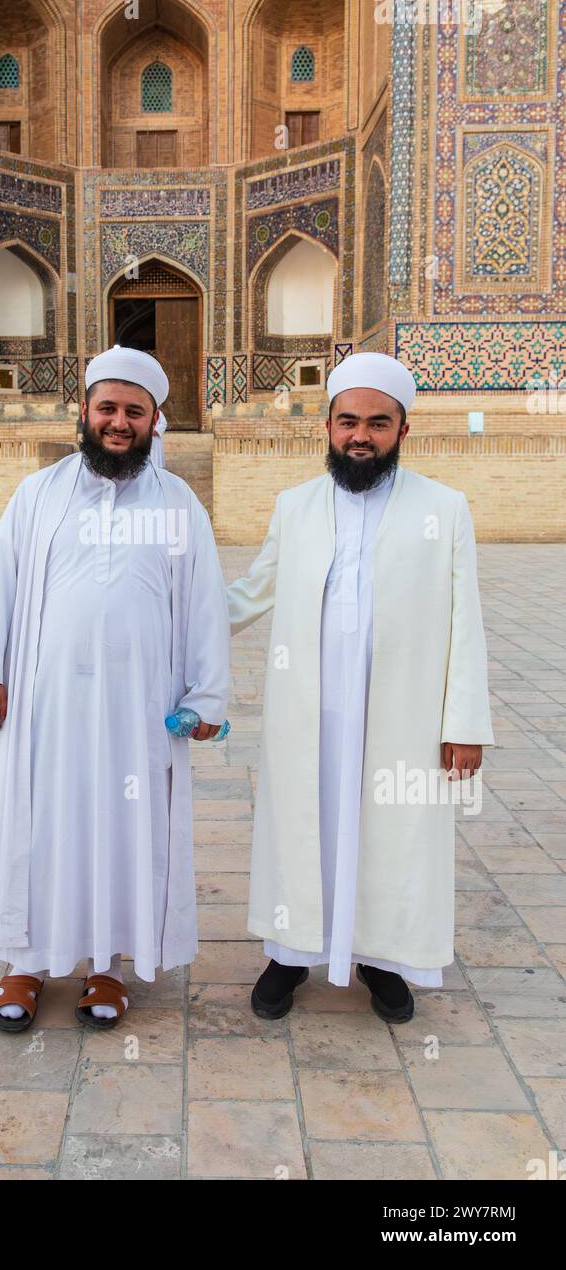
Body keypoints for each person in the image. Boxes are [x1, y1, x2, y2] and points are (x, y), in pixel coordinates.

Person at [0, 344, 230, 1031]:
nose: (118, 422)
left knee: (124, 829)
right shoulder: (37, 494)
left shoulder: (178, 504)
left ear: (155, 420)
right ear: (83, 410)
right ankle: (24, 963)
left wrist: (206, 698)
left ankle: (107, 966)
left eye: (133, 411)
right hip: (43, 705)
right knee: (37, 824)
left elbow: (203, 606)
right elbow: (3, 581)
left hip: (137, 711)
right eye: (106, 407)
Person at [226, 352, 494, 1024]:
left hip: (400, 713)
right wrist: (168, 623)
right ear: (327, 425)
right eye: (348, 421)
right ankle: (290, 952)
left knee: (393, 832)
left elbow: (466, 622)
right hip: (310, 711)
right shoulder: (296, 506)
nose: (360, 436)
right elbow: (251, 593)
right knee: (302, 825)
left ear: (404, 430)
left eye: (378, 423)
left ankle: (382, 956)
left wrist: (463, 722)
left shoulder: (444, 508)